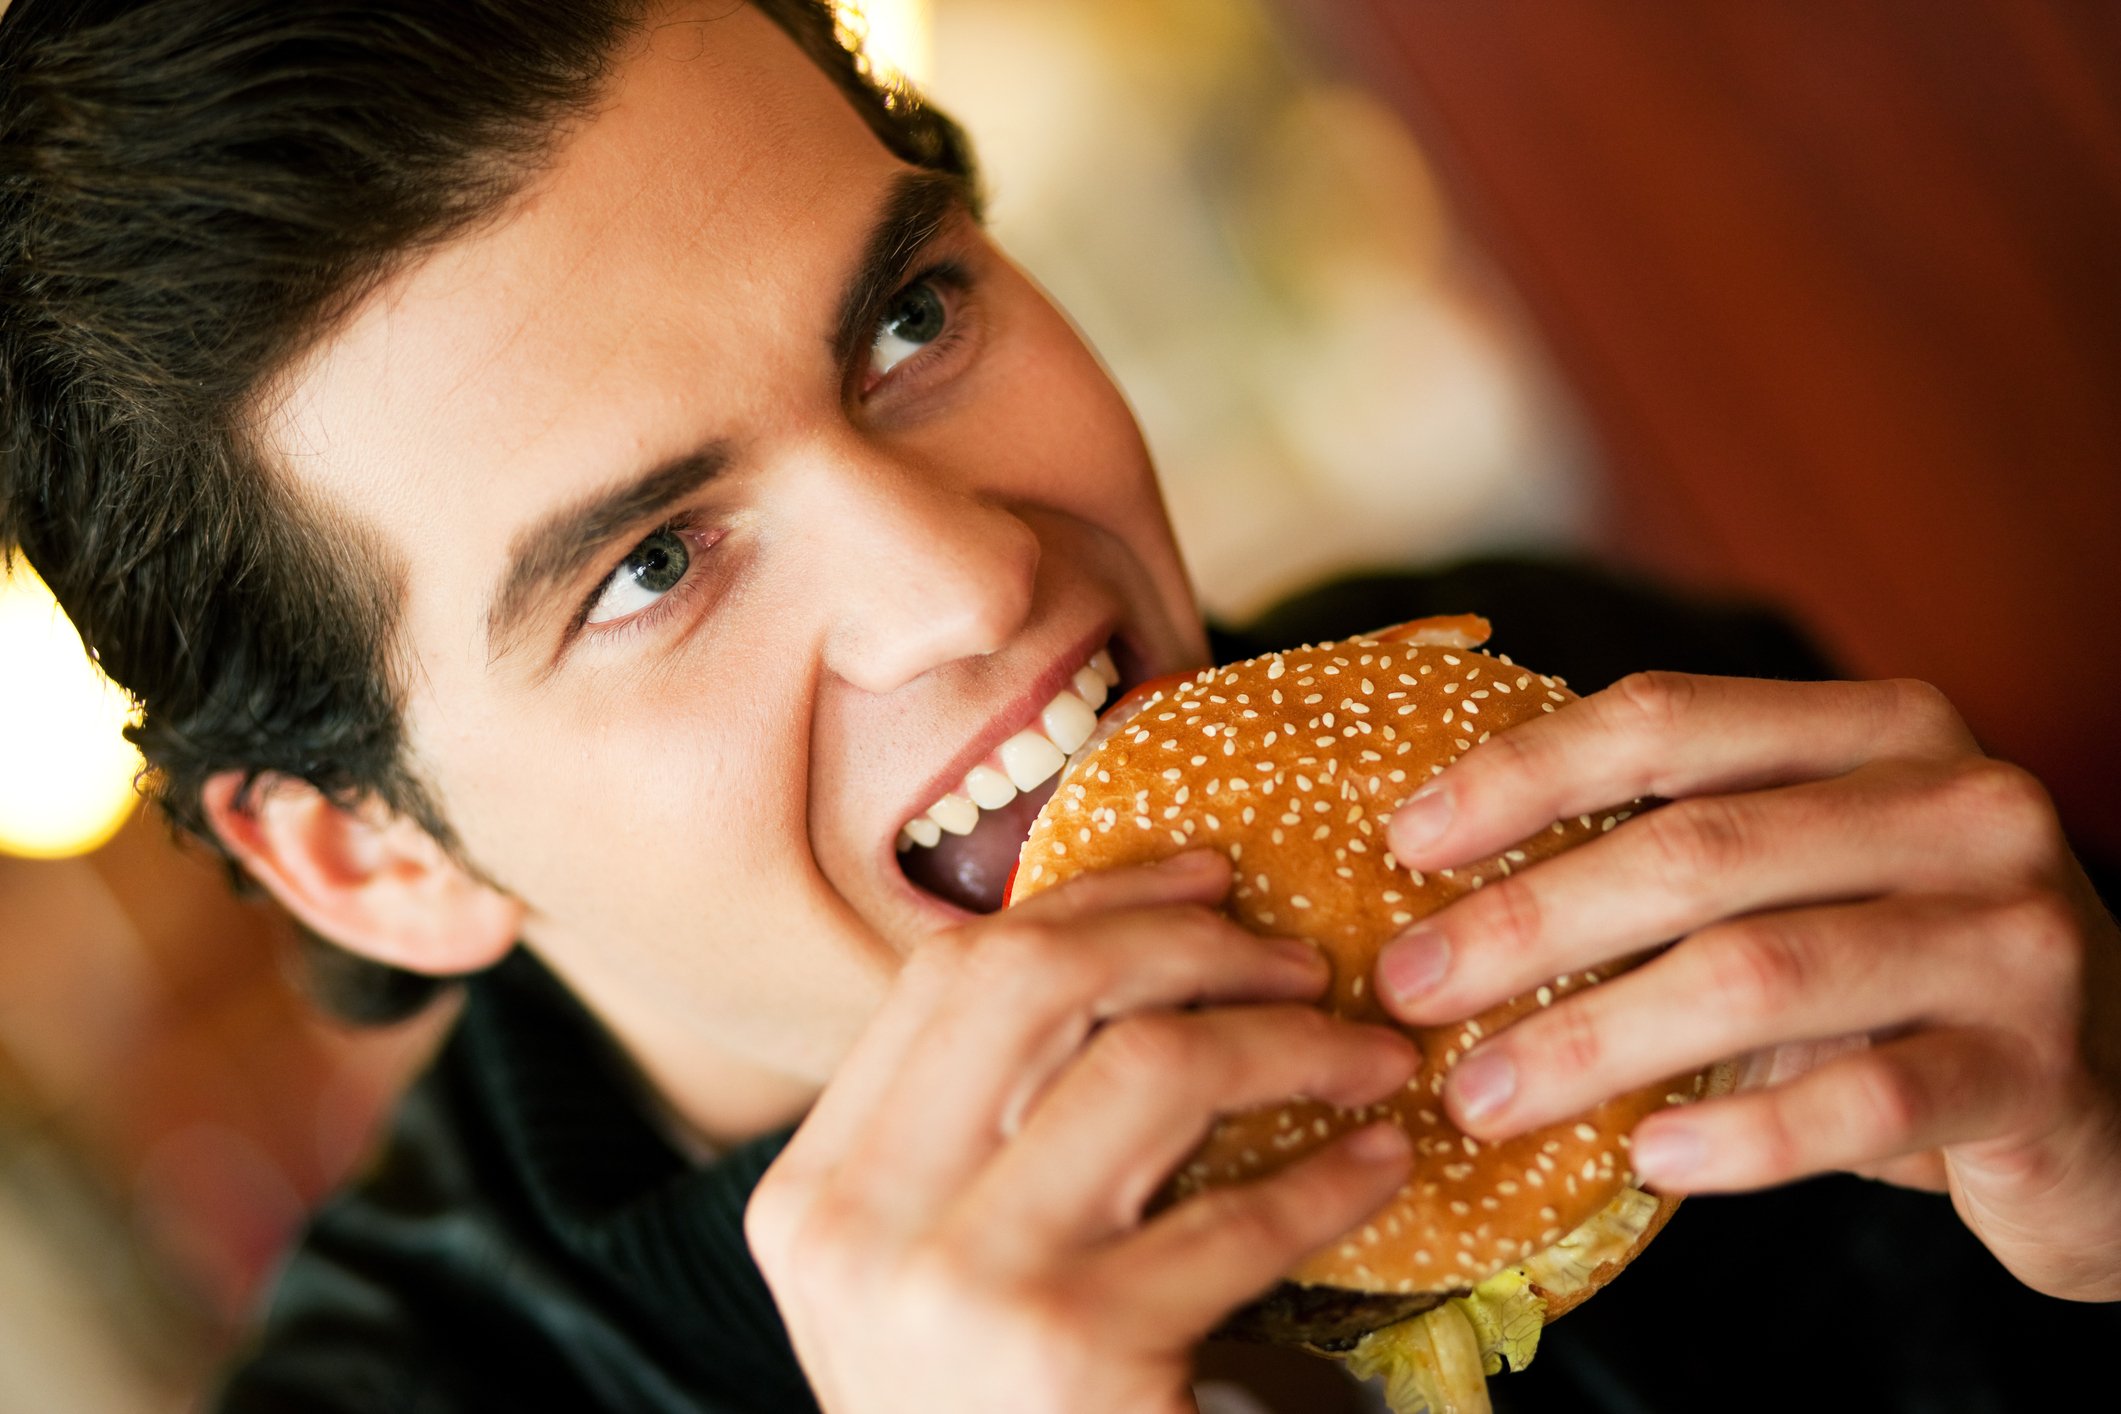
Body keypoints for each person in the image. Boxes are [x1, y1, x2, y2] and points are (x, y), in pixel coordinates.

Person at [3, 2, 2116, 1409]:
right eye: (649, 563)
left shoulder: (1585, 723)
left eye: (910, 316)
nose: (977, 577)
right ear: (369, 851)